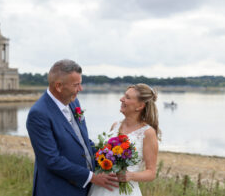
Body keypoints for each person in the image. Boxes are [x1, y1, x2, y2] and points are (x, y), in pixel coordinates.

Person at [26, 59, 118, 196]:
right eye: (76, 85)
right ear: (58, 86)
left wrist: (109, 156)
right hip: (57, 190)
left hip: (84, 188)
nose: (80, 89)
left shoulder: (74, 102)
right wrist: (92, 177)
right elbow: (52, 160)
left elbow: (83, 141)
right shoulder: (38, 114)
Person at [89, 83, 160, 196]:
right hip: (101, 188)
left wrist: (130, 175)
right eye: (124, 96)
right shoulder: (115, 125)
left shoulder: (148, 133)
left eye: (127, 97)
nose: (121, 99)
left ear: (140, 106)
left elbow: (151, 173)